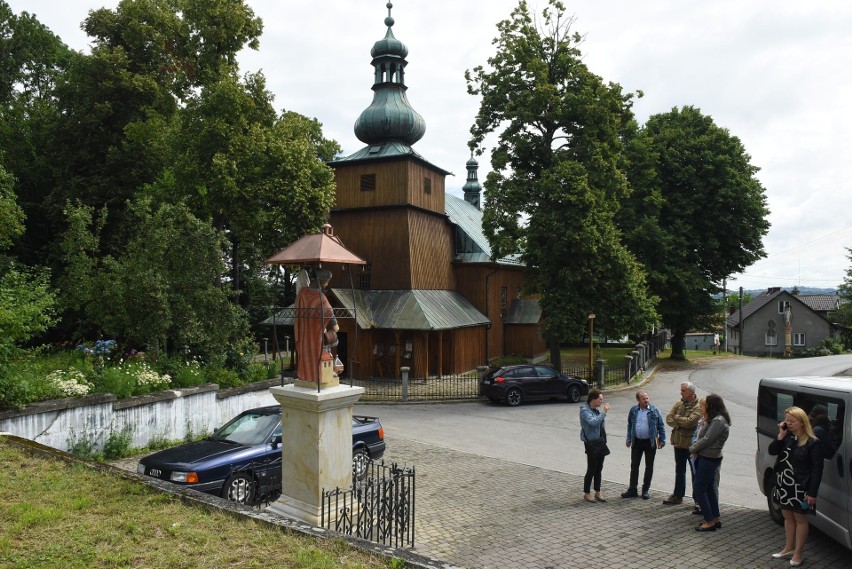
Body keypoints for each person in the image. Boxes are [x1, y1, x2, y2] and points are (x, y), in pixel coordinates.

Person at [769, 406, 824, 566]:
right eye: (786, 421)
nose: (788, 423)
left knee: (800, 518)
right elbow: (772, 451)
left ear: (802, 422)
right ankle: (788, 548)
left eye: (792, 421)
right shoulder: (788, 438)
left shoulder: (813, 443)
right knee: (787, 516)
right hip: (784, 484)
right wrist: (781, 435)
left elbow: (817, 470)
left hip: (800, 487)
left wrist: (812, 493)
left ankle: (798, 553)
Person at [689, 393, 730, 532]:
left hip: (709, 458)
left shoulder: (718, 421)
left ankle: (709, 520)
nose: (701, 407)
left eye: (704, 405)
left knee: (699, 488)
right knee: (709, 488)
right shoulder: (713, 420)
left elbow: (707, 439)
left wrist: (692, 448)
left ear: (711, 406)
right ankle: (714, 517)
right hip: (708, 457)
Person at [294, 267, 338, 383]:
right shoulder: (321, 297)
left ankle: (306, 375)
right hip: (316, 334)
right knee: (321, 353)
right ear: (323, 281)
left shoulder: (302, 293)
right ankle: (318, 375)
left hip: (304, 333)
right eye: (327, 281)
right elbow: (329, 312)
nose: (328, 283)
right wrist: (335, 325)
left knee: (306, 356)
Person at [663, 382, 702, 506]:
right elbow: (669, 418)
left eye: (683, 390)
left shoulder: (699, 406)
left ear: (691, 392)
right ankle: (678, 496)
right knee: (679, 470)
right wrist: (680, 422)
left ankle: (697, 499)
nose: (681, 392)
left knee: (695, 472)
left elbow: (690, 423)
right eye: (681, 390)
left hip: (691, 445)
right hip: (678, 442)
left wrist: (677, 418)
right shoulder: (679, 403)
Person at [622, 391, 666, 499]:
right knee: (634, 466)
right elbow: (630, 425)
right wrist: (629, 438)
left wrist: (662, 440)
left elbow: (661, 425)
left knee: (649, 466)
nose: (646, 400)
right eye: (643, 399)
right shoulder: (633, 410)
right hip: (637, 441)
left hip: (650, 442)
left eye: (647, 398)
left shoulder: (654, 410)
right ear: (638, 400)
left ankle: (645, 490)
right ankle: (632, 489)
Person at [580, 389, 610, 503]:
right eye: (600, 399)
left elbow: (601, 427)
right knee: (592, 468)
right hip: (591, 443)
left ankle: (598, 491)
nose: (601, 402)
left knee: (599, 468)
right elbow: (593, 422)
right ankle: (587, 493)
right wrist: (604, 412)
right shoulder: (584, 410)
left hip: (600, 442)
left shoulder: (596, 411)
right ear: (593, 399)